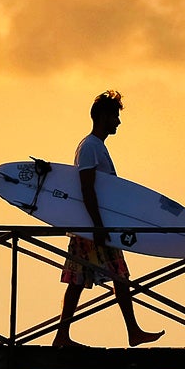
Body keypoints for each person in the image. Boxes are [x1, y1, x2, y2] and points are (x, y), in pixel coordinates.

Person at [53, 91, 164, 348]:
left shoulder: (96, 146)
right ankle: (132, 332)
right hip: (95, 228)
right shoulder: (90, 147)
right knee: (113, 278)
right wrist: (99, 226)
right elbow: (87, 188)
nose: (118, 122)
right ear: (103, 116)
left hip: (93, 227)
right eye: (115, 116)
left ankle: (62, 336)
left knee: (81, 280)